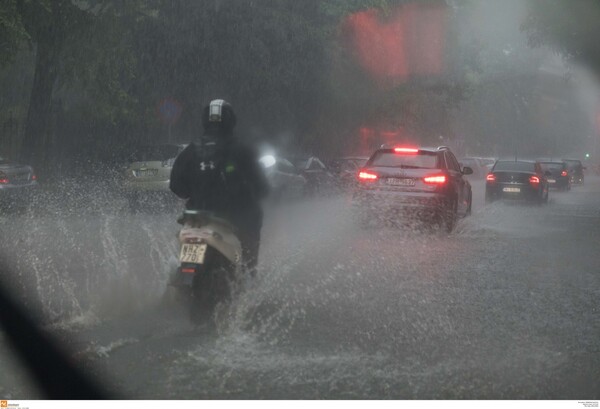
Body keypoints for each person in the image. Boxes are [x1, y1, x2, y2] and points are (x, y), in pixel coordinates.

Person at [169, 99, 270, 275]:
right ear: (231, 122)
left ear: (204, 121)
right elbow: (262, 187)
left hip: (196, 219)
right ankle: (247, 274)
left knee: (184, 271)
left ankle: (186, 275)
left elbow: (176, 186)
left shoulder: (190, 151)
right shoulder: (242, 150)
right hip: (235, 218)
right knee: (250, 243)